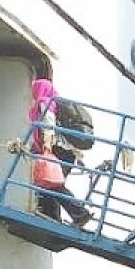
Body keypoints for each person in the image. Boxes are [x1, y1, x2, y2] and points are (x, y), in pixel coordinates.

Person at [27, 78, 91, 228]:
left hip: (57, 150)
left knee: (52, 184)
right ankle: (52, 215)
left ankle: (80, 213)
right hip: (67, 153)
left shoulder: (45, 102)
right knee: (49, 183)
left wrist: (47, 146)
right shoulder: (56, 104)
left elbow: (48, 123)